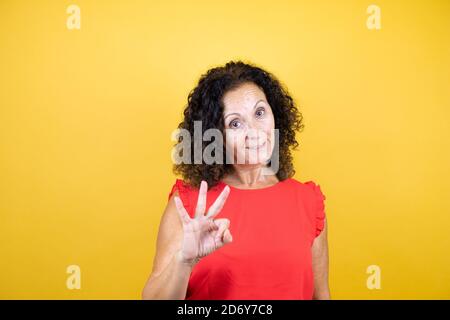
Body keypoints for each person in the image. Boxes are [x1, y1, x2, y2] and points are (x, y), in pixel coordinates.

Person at [142, 60, 330, 299]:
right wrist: (184, 261)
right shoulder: (189, 204)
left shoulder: (308, 201)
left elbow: (321, 295)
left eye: (260, 112)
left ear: (276, 115)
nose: (255, 131)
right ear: (216, 137)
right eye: (235, 123)